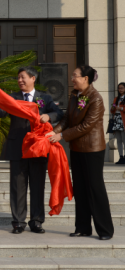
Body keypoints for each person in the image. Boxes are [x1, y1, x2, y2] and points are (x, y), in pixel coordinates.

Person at [0, 66, 63, 234]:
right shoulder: (12, 98)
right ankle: (18, 222)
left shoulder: (44, 97)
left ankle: (36, 221)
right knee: (17, 186)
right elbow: (1, 113)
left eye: (23, 77)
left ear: (33, 78)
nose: (20, 80)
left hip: (38, 148)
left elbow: (58, 113)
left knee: (37, 186)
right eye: (18, 77)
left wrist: (49, 116)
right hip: (18, 147)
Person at [47, 65, 114, 240]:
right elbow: (67, 118)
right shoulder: (74, 95)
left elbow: (86, 126)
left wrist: (61, 135)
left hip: (92, 150)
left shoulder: (96, 99)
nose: (72, 78)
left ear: (86, 78)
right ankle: (83, 228)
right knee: (81, 189)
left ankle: (105, 230)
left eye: (75, 75)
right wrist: (55, 131)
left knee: (95, 188)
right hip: (76, 148)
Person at [110, 82, 125, 164]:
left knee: (124, 139)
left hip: (123, 121)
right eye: (119, 88)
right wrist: (113, 108)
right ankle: (121, 157)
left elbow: (122, 109)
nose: (120, 89)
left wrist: (121, 108)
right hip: (117, 120)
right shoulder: (116, 98)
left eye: (122, 88)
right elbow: (112, 110)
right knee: (118, 140)